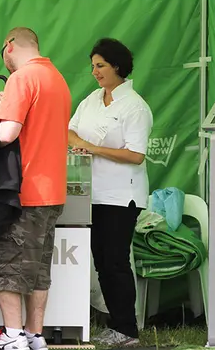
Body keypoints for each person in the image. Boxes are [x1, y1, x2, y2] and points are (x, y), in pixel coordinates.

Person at [0, 27, 71, 350]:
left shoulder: (22, 78)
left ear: (9, 46)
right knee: (39, 269)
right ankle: (34, 334)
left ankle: (13, 336)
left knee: (7, 267)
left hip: (21, 191)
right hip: (53, 189)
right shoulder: (57, 78)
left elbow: (7, 134)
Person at [68, 38, 153, 347]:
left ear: (117, 66)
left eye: (100, 65)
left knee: (115, 261)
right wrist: (79, 143)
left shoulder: (135, 107)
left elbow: (136, 155)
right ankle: (115, 324)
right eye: (92, 66)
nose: (95, 72)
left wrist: (94, 149)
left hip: (121, 196)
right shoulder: (92, 99)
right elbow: (70, 129)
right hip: (93, 192)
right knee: (102, 261)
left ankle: (127, 329)